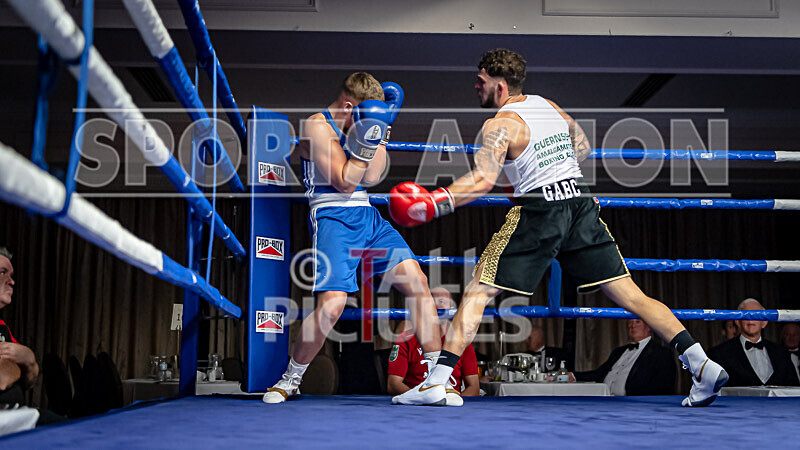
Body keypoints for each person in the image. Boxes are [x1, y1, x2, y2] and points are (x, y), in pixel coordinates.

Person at [389, 48, 727, 407]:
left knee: (478, 290)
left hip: (540, 210)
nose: (476, 86)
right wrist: (530, 174)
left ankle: (436, 383)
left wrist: (433, 202)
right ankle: (701, 364)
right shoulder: (547, 105)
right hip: (579, 204)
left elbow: (482, 180)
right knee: (632, 295)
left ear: (499, 84)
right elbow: (580, 146)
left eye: (481, 80)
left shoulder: (498, 124)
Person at [263, 73, 445, 404]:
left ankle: (436, 379)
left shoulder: (360, 123)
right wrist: (369, 131)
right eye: (363, 116)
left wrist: (380, 131)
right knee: (331, 305)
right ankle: (290, 379)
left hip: (368, 217)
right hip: (332, 217)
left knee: (417, 281)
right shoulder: (317, 126)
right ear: (349, 106)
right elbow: (345, 182)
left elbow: (372, 176)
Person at [387, 287, 479, 404]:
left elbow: (474, 388)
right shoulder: (406, 338)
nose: (435, 306)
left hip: (450, 406)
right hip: (414, 407)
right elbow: (393, 384)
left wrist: (446, 402)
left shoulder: (461, 341)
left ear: (451, 309)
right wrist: (422, 400)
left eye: (441, 302)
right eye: (430, 302)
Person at [708, 299, 799, 386]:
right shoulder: (719, 353)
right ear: (737, 321)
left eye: (756, 315)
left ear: (764, 322)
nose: (751, 319)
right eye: (747, 315)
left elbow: (793, 387)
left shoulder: (782, 353)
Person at [571, 319, 675, 396]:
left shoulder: (662, 353)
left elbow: (663, 387)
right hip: (604, 401)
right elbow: (599, 373)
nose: (632, 326)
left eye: (637, 322)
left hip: (634, 407)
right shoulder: (618, 351)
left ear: (649, 327)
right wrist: (573, 375)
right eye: (630, 322)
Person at [0, 247, 39, 406]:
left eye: (11, 275)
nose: (12, 281)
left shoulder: (2, 325)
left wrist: (29, 359)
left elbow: (30, 381)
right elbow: (2, 379)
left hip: (17, 415)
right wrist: (21, 365)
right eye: (3, 272)